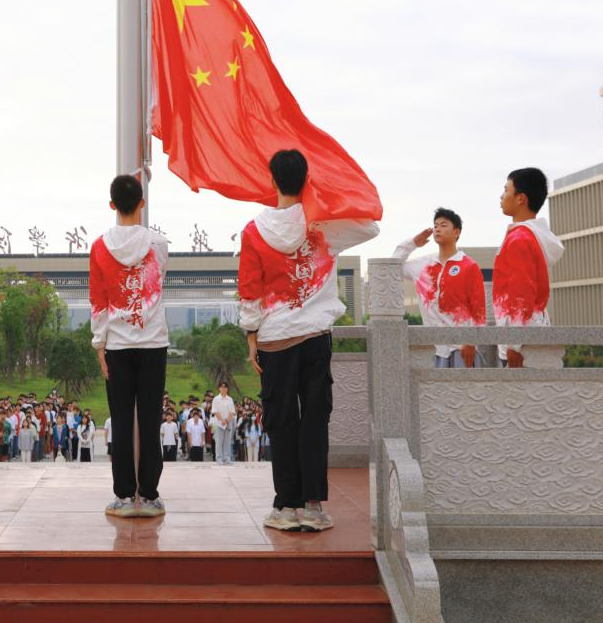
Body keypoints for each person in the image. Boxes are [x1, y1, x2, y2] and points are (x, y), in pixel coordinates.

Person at [239, 149, 379, 533]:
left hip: (275, 339)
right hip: (315, 337)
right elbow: (370, 227)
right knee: (315, 419)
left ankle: (287, 506)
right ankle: (314, 506)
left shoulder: (254, 231)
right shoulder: (324, 225)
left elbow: (250, 290)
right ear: (306, 181)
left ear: (271, 180)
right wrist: (326, 194)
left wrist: (251, 334)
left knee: (281, 421)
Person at [90, 173, 170, 518]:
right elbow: (158, 278)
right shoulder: (158, 244)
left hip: (118, 346)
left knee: (121, 421)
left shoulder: (99, 247)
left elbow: (98, 301)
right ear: (142, 203)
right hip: (153, 342)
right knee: (150, 420)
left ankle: (124, 496)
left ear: (112, 204)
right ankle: (149, 496)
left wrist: (99, 345)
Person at [392, 208, 487, 367]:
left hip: (461, 348)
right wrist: (412, 243)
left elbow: (478, 309)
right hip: (433, 348)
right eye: (435, 226)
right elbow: (392, 266)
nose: (437, 229)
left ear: (456, 232)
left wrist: (471, 342)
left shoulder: (468, 266)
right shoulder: (423, 265)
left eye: (443, 225)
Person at [493, 168, 565, 367]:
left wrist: (515, 345)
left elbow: (521, 293)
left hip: (522, 344)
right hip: (531, 332)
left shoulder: (519, 239)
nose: (501, 196)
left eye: (506, 190)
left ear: (520, 198)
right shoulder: (531, 235)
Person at [211, 382, 237, 464]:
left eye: (225, 387)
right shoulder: (216, 399)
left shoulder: (230, 399)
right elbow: (215, 411)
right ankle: (219, 458)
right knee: (219, 441)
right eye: (222, 387)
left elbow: (232, 412)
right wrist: (222, 420)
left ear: (227, 389)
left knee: (227, 441)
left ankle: (227, 458)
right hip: (219, 423)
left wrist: (227, 421)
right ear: (219, 388)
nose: (223, 389)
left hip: (228, 422)